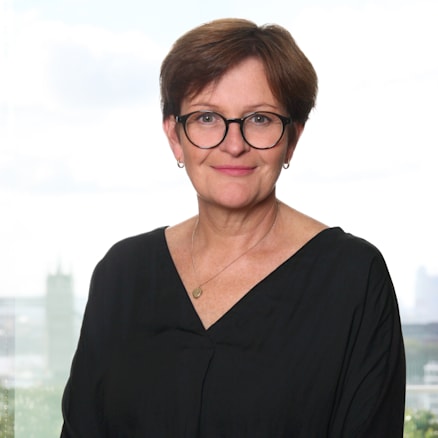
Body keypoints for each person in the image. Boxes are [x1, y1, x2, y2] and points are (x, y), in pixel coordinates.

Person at [60, 18, 405, 437]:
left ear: (292, 138)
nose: (234, 143)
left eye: (259, 119)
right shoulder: (122, 273)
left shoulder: (353, 277)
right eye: (207, 117)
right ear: (175, 136)